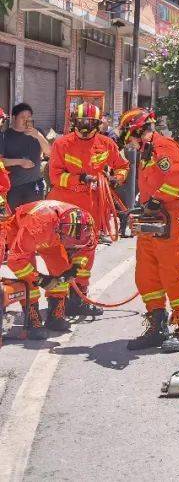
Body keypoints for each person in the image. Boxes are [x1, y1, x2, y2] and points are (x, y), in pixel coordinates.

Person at [119, 108, 179, 353]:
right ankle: (156, 327)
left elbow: (178, 176)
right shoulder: (147, 151)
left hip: (171, 220)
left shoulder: (164, 146)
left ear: (139, 130)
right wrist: (145, 202)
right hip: (153, 220)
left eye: (130, 135)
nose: (130, 142)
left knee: (171, 275)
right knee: (146, 275)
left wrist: (157, 199)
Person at [46, 102, 129, 316]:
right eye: (81, 122)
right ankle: (58, 303)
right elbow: (55, 177)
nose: (85, 127)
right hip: (64, 208)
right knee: (61, 254)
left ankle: (79, 300)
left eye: (89, 123)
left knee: (86, 253)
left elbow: (122, 165)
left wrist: (116, 179)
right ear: (74, 122)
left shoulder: (106, 144)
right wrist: (80, 178)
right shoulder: (61, 144)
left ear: (97, 124)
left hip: (93, 207)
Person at [1, 199, 97, 338]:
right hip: (21, 231)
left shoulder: (86, 225)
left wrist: (76, 266)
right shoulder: (37, 226)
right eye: (69, 244)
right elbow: (15, 260)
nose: (71, 248)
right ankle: (32, 319)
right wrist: (40, 279)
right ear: (59, 229)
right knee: (28, 277)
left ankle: (55, 316)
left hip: (53, 237)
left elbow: (88, 248)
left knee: (62, 269)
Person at [2, 103, 52, 208]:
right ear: (14, 118)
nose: (26, 120)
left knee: (33, 218)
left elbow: (49, 153)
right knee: (13, 219)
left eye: (29, 117)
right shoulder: (5, 136)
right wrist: (20, 161)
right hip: (13, 187)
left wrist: (38, 136)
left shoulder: (38, 133)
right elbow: (1, 161)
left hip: (35, 185)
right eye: (23, 117)